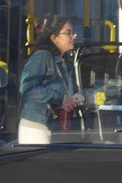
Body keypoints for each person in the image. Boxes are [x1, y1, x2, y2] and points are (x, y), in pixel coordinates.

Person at [18, 15, 83, 144]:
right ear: (54, 38)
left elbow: (69, 91)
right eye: (68, 33)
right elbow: (28, 89)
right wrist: (62, 99)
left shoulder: (65, 63)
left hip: (57, 127)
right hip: (37, 127)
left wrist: (78, 98)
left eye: (73, 32)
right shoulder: (41, 57)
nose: (74, 36)